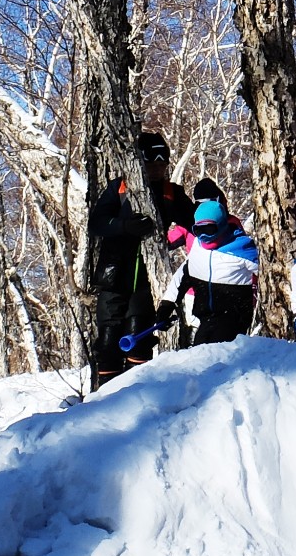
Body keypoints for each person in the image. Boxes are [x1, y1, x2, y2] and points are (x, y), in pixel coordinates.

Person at [88, 133, 193, 390]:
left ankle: (136, 394)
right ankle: (104, 396)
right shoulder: (120, 189)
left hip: (146, 278)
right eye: (151, 164)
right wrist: (124, 226)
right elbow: (96, 223)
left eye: (162, 165)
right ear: (140, 162)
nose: (157, 170)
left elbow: (196, 221)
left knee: (139, 335)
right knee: (109, 339)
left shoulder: (171, 193)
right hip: (113, 276)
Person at [170, 198, 259, 344]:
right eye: (198, 230)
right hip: (204, 315)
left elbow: (269, 275)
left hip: (233, 319)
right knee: (200, 349)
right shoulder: (198, 248)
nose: (204, 236)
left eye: (209, 229)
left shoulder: (242, 248)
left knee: (218, 352)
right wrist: (168, 302)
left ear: (222, 226)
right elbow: (184, 273)